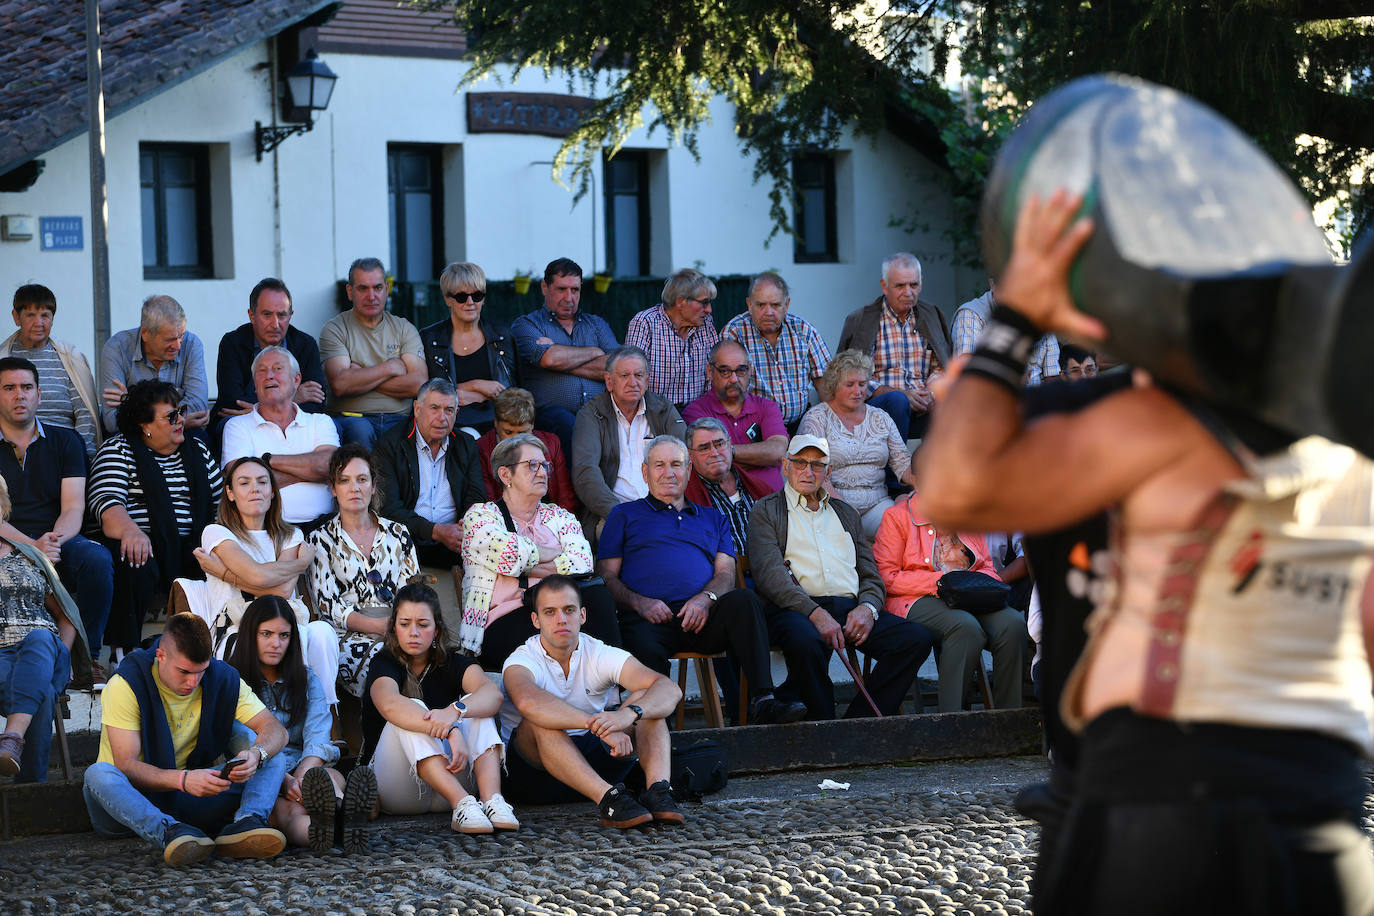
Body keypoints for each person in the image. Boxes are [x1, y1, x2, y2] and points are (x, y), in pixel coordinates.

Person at [920, 189, 1374, 913]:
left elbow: (948, 487)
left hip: (1158, 800)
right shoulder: (1352, 456)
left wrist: (1013, 324)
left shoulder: (1142, 423)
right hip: (1315, 810)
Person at [596, 435, 806, 725]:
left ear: (689, 471)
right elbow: (606, 575)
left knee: (744, 601)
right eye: (659, 465)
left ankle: (763, 700)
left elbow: (725, 573)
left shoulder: (713, 518)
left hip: (701, 618)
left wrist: (705, 600)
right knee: (638, 644)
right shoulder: (623, 515)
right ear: (645, 472)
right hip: (646, 620)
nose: (669, 473)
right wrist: (639, 603)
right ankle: (658, 728)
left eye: (676, 465)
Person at [82, 613, 290, 866]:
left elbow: (276, 730)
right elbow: (127, 765)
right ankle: (170, 833)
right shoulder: (125, 684)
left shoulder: (222, 677)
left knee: (269, 752)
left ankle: (246, 823)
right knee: (98, 774)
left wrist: (256, 754)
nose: (193, 682)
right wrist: (183, 780)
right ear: (161, 656)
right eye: (184, 671)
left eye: (201, 672)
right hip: (127, 803)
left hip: (189, 796)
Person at [748, 435, 932, 719]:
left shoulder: (845, 512)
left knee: (915, 638)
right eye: (800, 463)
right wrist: (814, 612)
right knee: (805, 639)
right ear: (785, 466)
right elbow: (770, 577)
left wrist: (868, 609)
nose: (808, 472)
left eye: (817, 465)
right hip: (796, 609)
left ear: (829, 472)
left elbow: (871, 575)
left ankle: (859, 722)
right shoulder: (766, 510)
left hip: (849, 609)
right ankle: (823, 721)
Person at [501, 575, 685, 828]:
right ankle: (609, 800)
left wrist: (627, 715)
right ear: (536, 620)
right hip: (535, 778)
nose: (561, 619)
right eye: (550, 612)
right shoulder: (521, 659)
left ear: (582, 616)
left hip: (595, 761)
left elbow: (669, 689)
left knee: (646, 698)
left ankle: (659, 792)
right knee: (538, 721)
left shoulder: (598, 652)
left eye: (569, 610)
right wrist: (599, 726)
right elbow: (527, 701)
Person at [872, 448, 1026, 712]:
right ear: (917, 481)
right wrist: (940, 582)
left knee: (1013, 623)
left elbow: (986, 565)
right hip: (916, 598)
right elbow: (886, 577)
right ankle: (951, 719)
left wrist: (981, 586)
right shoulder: (896, 517)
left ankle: (1007, 717)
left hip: (967, 594)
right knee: (964, 627)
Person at [362, 583, 517, 834]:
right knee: (411, 707)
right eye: (404, 624)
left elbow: (492, 694)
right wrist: (450, 729)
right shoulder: (383, 663)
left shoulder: (453, 662)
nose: (413, 632)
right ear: (393, 628)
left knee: (475, 707)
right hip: (400, 789)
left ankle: (492, 801)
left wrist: (455, 711)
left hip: (452, 777)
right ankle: (462, 803)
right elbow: (389, 704)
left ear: (437, 630)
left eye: (423, 625)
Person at [226, 596, 376, 853]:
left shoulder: (307, 680)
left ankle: (346, 817)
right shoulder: (232, 681)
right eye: (266, 634)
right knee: (288, 811)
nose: (276, 643)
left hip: (305, 767)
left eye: (284, 635)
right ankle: (329, 831)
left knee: (330, 778)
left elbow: (318, 737)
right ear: (251, 635)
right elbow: (238, 740)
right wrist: (284, 781)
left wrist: (303, 778)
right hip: (258, 772)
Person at [459, 434, 620, 669]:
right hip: (508, 617)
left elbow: (583, 560)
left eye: (545, 465)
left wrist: (526, 568)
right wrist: (555, 557)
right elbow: (510, 555)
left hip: (561, 613)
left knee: (597, 599)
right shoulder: (481, 515)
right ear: (505, 475)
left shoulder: (559, 515)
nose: (543, 473)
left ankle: (611, 695)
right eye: (532, 465)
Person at [180, 457, 336, 694]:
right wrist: (300, 563)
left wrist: (224, 572)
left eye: (262, 482)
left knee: (321, 632)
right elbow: (259, 577)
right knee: (265, 637)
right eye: (244, 483)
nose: (255, 489)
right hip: (236, 626)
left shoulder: (290, 535)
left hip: (283, 625)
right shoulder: (216, 532)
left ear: (272, 492)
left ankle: (324, 712)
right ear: (230, 493)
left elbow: (282, 593)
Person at [88, 380, 222, 655]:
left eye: (181, 411)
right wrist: (131, 531)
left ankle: (208, 650)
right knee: (134, 556)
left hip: (188, 543)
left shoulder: (199, 451)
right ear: (144, 425)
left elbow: (221, 505)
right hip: (141, 544)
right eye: (171, 416)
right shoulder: (119, 450)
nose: (181, 420)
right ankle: (124, 650)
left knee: (211, 557)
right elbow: (107, 504)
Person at [0, 357, 113, 671]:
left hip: (57, 538)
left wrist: (51, 544)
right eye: (9, 388)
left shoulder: (66, 440)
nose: (19, 395)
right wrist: (32, 548)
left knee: (97, 559)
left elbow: (74, 506)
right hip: (5, 541)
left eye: (26, 387)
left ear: (40, 394)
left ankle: (87, 657)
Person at [307, 445, 420, 700]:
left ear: (373, 485)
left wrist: (399, 627)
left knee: (436, 660)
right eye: (344, 481)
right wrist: (380, 627)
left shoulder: (399, 533)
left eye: (361, 479)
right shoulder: (319, 539)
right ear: (333, 489)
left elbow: (413, 591)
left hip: (401, 626)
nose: (354, 488)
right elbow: (329, 607)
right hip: (349, 635)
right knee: (387, 663)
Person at [0, 474, 93, 780]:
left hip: (41, 650)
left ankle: (12, 741)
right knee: (40, 688)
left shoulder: (29, 555)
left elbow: (65, 614)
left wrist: (62, 655)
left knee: (41, 638)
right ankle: (31, 788)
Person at [797, 350, 914, 538]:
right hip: (830, 504)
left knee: (905, 526)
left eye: (862, 384)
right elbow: (814, 474)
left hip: (877, 504)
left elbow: (903, 464)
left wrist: (925, 485)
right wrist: (842, 507)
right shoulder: (817, 419)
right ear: (834, 385)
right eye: (849, 384)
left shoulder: (881, 418)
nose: (858, 391)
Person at [220, 346, 339, 529]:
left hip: (325, 529)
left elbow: (329, 466)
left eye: (278, 368)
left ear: (296, 379)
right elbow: (244, 484)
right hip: (267, 529)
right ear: (254, 382)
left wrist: (268, 461)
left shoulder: (320, 422)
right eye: (262, 370)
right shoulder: (237, 426)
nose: (269, 375)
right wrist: (312, 473)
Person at [510, 258, 620, 456]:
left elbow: (615, 367)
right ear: (545, 287)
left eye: (575, 290)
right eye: (561, 289)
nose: (569, 298)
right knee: (570, 425)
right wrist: (595, 352)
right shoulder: (526, 325)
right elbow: (549, 359)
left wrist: (558, 357)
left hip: (598, 411)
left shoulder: (596, 324)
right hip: (550, 415)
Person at [373, 378, 486, 571]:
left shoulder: (465, 444)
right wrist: (436, 531)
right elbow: (388, 509)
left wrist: (463, 528)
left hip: (456, 540)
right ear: (417, 409)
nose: (442, 418)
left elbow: (476, 498)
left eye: (449, 410)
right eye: (434, 408)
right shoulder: (390, 444)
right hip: (406, 540)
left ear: (457, 413)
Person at [571, 346, 686, 534]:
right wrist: (620, 514)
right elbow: (585, 472)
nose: (632, 382)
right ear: (609, 381)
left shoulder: (663, 410)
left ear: (647, 380)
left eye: (638, 375)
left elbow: (685, 458)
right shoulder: (591, 414)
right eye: (624, 376)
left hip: (667, 508)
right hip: (614, 514)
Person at [837, 253, 951, 441]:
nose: (908, 292)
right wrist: (900, 394)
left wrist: (931, 393)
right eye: (900, 286)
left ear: (921, 283)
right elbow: (846, 376)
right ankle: (894, 471)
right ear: (884, 286)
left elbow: (941, 366)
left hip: (926, 406)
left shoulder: (932, 315)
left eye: (914, 285)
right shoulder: (860, 320)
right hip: (880, 409)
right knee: (898, 401)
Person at [319, 257, 427, 449]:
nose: (371, 296)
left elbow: (418, 384)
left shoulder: (404, 328)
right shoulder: (335, 329)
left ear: (386, 289)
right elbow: (341, 384)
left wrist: (360, 373)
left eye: (377, 288)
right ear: (350, 292)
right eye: (363, 288)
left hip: (399, 419)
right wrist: (391, 367)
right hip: (352, 418)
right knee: (360, 431)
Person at [211, 278, 327, 444]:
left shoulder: (305, 344)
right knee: (229, 426)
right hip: (243, 422)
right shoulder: (233, 343)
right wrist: (293, 396)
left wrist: (258, 406)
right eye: (267, 315)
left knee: (328, 427)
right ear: (252, 315)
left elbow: (317, 402)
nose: (275, 324)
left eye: (282, 315)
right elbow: (232, 402)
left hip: (293, 422)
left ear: (290, 315)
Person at [0, 283, 101, 459]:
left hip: (65, 453)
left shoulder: (69, 358)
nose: (38, 323)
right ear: (16, 317)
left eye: (45, 315)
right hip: (12, 454)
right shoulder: (3, 358)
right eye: (30, 315)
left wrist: (80, 458)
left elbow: (85, 414)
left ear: (52, 318)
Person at [721, 271, 831, 430]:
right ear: (749, 305)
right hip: (752, 428)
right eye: (761, 305)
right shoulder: (734, 333)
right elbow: (724, 389)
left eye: (775, 305)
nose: (769, 312)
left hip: (800, 425)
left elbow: (826, 385)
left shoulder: (803, 331)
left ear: (786, 305)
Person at [419, 261, 517, 436]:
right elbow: (429, 392)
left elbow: (510, 390)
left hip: (499, 421)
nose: (470, 302)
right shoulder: (430, 338)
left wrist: (469, 394)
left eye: (477, 295)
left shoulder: (501, 335)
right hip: (449, 424)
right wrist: (478, 386)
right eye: (462, 297)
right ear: (448, 299)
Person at [682, 340, 787, 494]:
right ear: (710, 372)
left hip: (771, 502)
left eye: (741, 370)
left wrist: (726, 451)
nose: (734, 379)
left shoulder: (767, 407)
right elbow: (709, 464)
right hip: (723, 505)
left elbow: (777, 452)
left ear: (750, 370)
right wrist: (759, 456)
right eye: (725, 371)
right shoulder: (696, 412)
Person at [99, 296, 210, 435]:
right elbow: (112, 422)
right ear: (145, 333)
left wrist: (132, 404)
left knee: (200, 438)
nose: (177, 345)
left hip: (178, 436)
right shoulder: (117, 348)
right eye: (169, 339)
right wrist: (177, 420)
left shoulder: (192, 344)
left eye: (181, 336)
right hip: (134, 439)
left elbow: (199, 407)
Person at [625, 268, 721, 408]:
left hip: (698, 413)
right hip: (654, 413)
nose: (709, 310)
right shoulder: (645, 323)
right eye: (704, 303)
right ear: (681, 302)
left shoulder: (706, 324)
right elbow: (633, 379)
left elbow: (713, 377)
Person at [475, 387, 576, 511]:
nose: (516, 440)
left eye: (523, 433)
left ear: (532, 424)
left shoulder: (551, 443)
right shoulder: (482, 448)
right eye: (508, 432)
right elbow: (489, 502)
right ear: (496, 422)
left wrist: (560, 526)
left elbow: (565, 496)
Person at [683, 417, 771, 559]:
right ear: (690, 456)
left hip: (768, 572)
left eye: (719, 444)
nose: (715, 453)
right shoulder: (683, 500)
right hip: (721, 577)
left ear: (730, 445)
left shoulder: (761, 489)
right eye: (704, 448)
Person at [951, 279, 1059, 385]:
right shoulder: (971, 315)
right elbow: (969, 378)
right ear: (992, 283)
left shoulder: (1040, 316)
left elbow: (1053, 379)